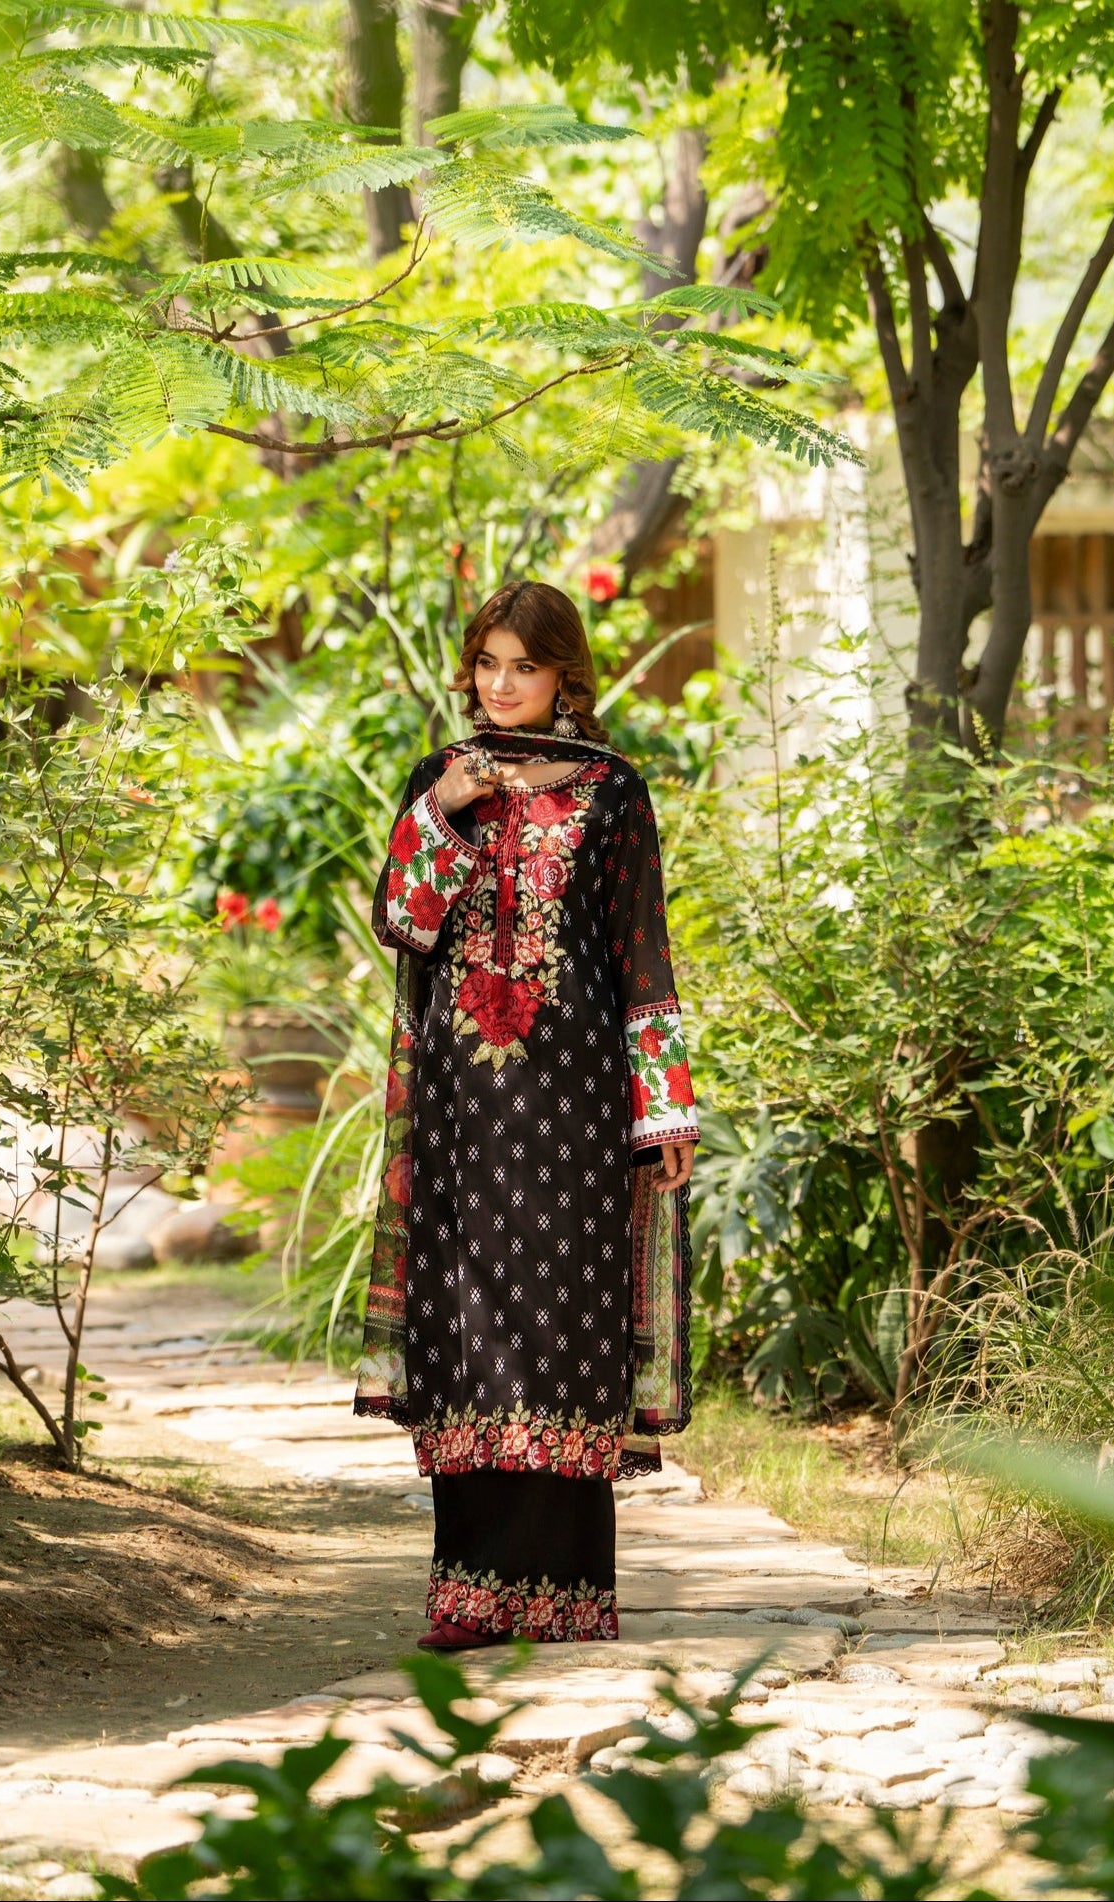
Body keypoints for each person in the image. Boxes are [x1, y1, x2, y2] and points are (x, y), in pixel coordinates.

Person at [353, 578, 698, 1649]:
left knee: (564, 1329)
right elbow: (403, 924)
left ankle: (562, 1597)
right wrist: (445, 812)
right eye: (488, 664)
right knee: (466, 1331)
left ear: (563, 676)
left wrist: (663, 1108)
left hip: (575, 1096)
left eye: (525, 667)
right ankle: (470, 1596)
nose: (501, 686)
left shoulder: (613, 791)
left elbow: (641, 947)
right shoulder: (440, 780)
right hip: (462, 1102)